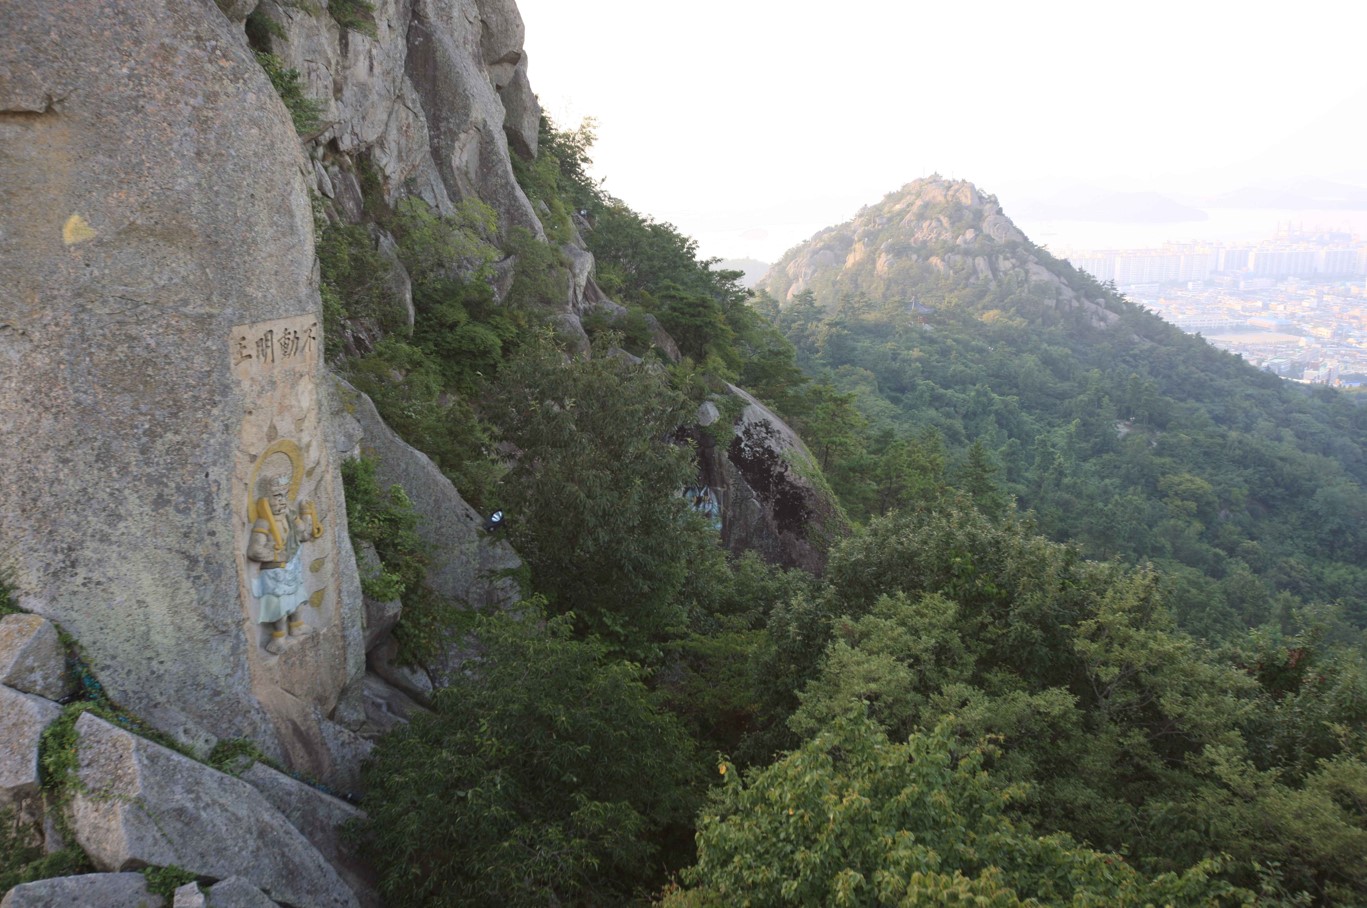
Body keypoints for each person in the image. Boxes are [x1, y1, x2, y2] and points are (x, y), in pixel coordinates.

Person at [247, 476, 322, 654]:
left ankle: (296, 625)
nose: (281, 500)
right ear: (265, 498)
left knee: (297, 597)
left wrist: (306, 513)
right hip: (274, 571)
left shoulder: (289, 516)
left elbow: (303, 535)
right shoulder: (263, 522)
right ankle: (279, 635)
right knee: (279, 604)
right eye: (276, 496)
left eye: (284, 495)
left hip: (292, 566)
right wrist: (274, 553)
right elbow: (254, 550)